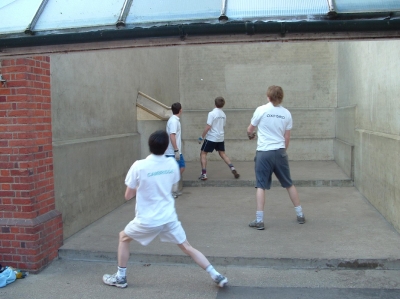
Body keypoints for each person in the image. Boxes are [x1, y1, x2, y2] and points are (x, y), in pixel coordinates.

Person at [103, 130, 228, 288]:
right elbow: (172, 184)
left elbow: (128, 196)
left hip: (147, 220)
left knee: (123, 237)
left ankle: (120, 278)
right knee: (187, 247)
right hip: (169, 218)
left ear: (149, 145)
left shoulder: (139, 166)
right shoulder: (171, 164)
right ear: (166, 146)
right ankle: (216, 274)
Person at [246, 85, 305, 230]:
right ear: (281, 97)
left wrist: (251, 135)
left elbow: (250, 129)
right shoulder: (286, 113)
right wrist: (282, 151)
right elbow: (287, 137)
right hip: (279, 152)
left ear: (268, 97)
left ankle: (259, 220)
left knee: (261, 185)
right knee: (288, 183)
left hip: (264, 153)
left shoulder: (261, 110)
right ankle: (300, 214)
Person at [198, 96, 239, 180]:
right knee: (222, 154)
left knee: (203, 153)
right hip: (220, 138)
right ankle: (232, 168)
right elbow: (222, 126)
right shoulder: (223, 115)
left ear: (215, 103)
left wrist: (201, 137)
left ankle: (204, 174)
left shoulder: (212, 113)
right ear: (223, 105)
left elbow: (208, 127)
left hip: (211, 138)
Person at [165, 102, 185, 198]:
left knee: (181, 168)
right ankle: (171, 191)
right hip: (172, 152)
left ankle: (174, 190)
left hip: (177, 152)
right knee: (174, 171)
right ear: (180, 110)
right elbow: (172, 135)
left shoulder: (176, 120)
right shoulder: (173, 121)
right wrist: (176, 150)